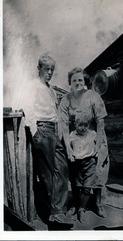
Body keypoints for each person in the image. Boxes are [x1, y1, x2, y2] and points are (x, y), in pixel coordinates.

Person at [24, 54, 74, 226]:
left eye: (52, 70)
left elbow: (56, 114)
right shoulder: (32, 86)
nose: (50, 73)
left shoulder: (51, 90)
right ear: (39, 68)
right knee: (48, 173)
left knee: (63, 169)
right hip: (42, 130)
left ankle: (57, 210)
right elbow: (28, 108)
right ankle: (56, 212)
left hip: (53, 131)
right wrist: (34, 132)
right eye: (47, 69)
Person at [59, 67, 109, 218]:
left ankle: (98, 204)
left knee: (98, 171)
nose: (77, 83)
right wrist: (68, 147)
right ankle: (75, 204)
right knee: (75, 172)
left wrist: (98, 145)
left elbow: (100, 122)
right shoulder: (65, 100)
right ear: (70, 82)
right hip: (76, 140)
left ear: (85, 81)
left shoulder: (93, 96)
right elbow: (64, 126)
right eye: (74, 80)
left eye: (80, 80)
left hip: (95, 136)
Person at [69, 113, 98, 223]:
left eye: (85, 125)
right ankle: (75, 206)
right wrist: (71, 154)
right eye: (80, 125)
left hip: (90, 162)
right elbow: (69, 148)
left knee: (87, 187)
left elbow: (100, 144)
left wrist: (97, 151)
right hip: (76, 163)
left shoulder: (93, 134)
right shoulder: (71, 135)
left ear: (89, 125)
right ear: (75, 124)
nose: (82, 128)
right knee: (76, 186)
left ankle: (82, 209)